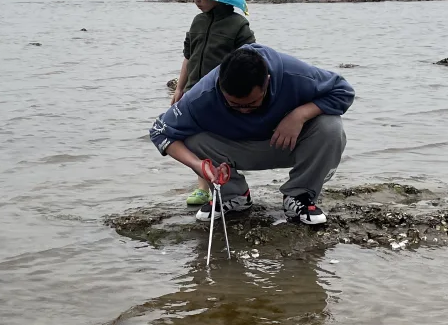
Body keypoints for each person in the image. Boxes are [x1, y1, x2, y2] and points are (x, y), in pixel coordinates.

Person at [148, 44, 354, 227]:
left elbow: (343, 91)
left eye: (251, 103)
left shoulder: (294, 74)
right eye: (235, 105)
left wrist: (299, 115)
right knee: (191, 138)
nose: (244, 110)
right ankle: (233, 196)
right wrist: (197, 165)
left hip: (288, 144)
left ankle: (299, 195)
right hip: (236, 149)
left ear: (267, 82)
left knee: (331, 125)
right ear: (220, 85)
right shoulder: (202, 95)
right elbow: (159, 131)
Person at [170, 0, 256, 206]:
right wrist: (179, 88)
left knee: (214, 140)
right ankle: (202, 187)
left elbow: (250, 58)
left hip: (221, 94)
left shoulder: (238, 24)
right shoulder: (197, 22)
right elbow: (188, 55)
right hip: (192, 92)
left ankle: (225, 185)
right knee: (192, 138)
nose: (197, 0)